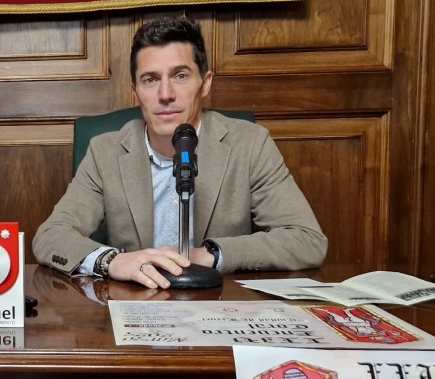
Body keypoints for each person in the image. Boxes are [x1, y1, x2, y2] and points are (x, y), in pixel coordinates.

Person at [33, 17, 326, 287]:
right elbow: (51, 237)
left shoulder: (249, 144)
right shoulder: (105, 152)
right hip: (138, 310)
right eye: (150, 80)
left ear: (205, 83)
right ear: (135, 92)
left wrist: (211, 255)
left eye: (181, 76)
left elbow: (306, 240)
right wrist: (113, 261)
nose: (165, 94)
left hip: (220, 308)